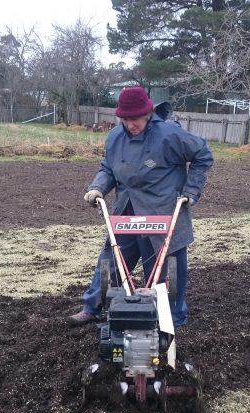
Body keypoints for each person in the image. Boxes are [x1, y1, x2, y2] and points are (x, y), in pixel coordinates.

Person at [68, 86, 214, 327]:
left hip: (162, 211)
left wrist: (190, 191)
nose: (130, 124)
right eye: (125, 119)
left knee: (163, 272)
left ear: (147, 113)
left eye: (135, 118)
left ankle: (171, 319)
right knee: (111, 261)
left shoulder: (169, 134)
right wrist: (98, 187)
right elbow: (108, 167)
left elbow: (203, 155)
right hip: (126, 210)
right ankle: (93, 307)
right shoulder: (115, 136)